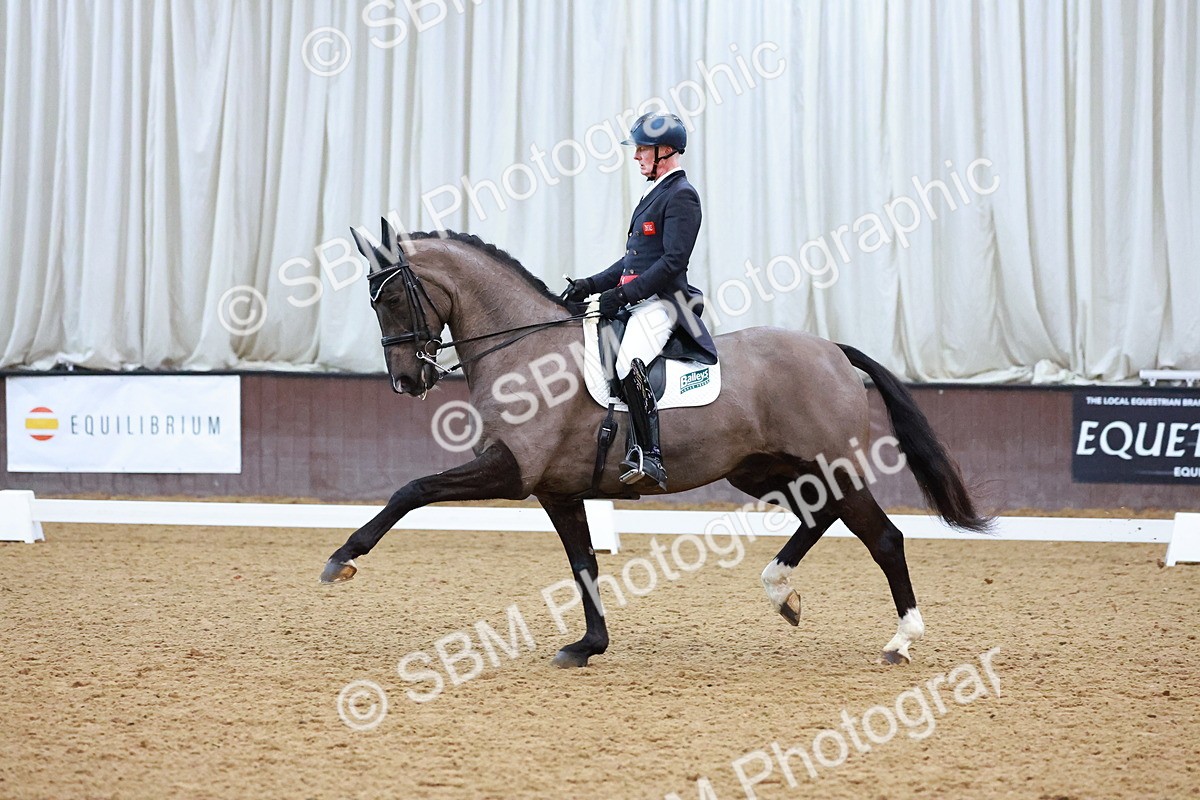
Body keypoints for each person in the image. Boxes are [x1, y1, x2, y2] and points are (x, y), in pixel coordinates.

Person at [563, 112, 716, 491]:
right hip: (640, 299)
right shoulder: (654, 193)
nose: (636, 157)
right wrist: (591, 284)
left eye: (642, 150)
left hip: (664, 302)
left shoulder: (683, 195)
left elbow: (670, 263)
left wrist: (622, 295)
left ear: (665, 152)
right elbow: (633, 261)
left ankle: (650, 455)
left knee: (628, 357)